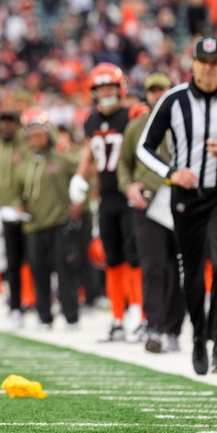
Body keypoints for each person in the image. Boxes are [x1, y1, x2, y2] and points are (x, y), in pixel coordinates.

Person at [137, 36, 217, 375]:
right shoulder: (173, 100)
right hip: (186, 198)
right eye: (203, 63)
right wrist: (170, 173)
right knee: (192, 274)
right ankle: (199, 336)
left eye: (215, 64)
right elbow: (144, 147)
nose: (208, 69)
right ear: (193, 64)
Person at [69, 63, 145, 342]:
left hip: (129, 196)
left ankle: (141, 316)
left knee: (135, 258)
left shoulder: (132, 115)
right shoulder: (90, 120)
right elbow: (91, 152)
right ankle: (117, 319)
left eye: (111, 87)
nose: (107, 92)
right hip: (106, 198)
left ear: (120, 88)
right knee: (113, 260)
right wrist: (80, 177)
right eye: (101, 88)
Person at [117, 72, 183, 354]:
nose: (157, 95)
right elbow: (124, 165)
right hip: (148, 202)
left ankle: (174, 328)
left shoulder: (184, 123)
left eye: (162, 90)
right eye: (153, 91)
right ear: (146, 94)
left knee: (178, 268)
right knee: (153, 266)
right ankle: (155, 326)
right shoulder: (136, 126)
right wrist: (129, 187)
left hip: (180, 201)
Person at [18, 108, 83, 330]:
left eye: (40, 135)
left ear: (48, 136)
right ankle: (44, 317)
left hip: (58, 223)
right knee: (39, 273)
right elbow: (19, 189)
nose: (35, 140)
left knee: (64, 272)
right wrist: (18, 204)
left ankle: (71, 316)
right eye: (32, 136)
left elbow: (85, 172)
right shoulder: (25, 161)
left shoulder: (62, 159)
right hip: (33, 224)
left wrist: (80, 201)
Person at [0, 108, 30, 328]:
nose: (6, 126)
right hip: (4, 211)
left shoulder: (24, 146)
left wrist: (23, 199)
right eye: (3, 122)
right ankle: (15, 306)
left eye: (10, 122)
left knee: (31, 259)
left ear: (17, 124)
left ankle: (33, 302)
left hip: (24, 210)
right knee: (12, 262)